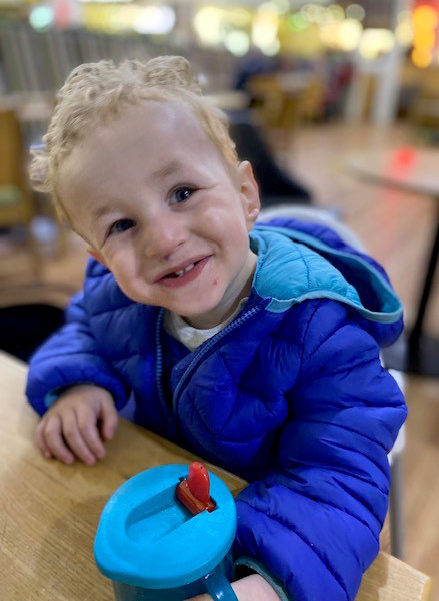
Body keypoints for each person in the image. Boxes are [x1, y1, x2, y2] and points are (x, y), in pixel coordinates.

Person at [26, 56, 406, 601]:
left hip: (273, 527)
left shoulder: (320, 328)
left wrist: (267, 586)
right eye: (122, 224)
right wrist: (80, 381)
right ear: (100, 256)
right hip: (172, 508)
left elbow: (338, 483)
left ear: (247, 194)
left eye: (182, 192)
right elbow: (86, 328)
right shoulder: (118, 296)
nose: (162, 239)